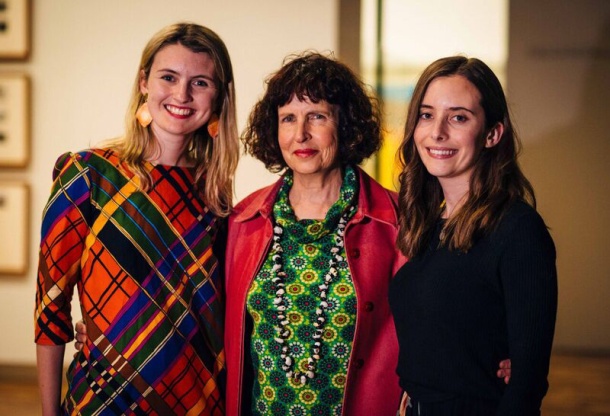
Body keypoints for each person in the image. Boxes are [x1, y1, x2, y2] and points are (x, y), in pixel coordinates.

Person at [34, 22, 238, 416]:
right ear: (144, 82)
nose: (181, 94)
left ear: (219, 97)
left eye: (200, 83)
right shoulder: (87, 174)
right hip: (105, 398)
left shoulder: (216, 196)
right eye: (168, 77)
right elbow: (50, 305)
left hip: (198, 401)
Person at [223, 52, 406, 415]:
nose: (301, 134)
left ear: (346, 123)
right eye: (288, 118)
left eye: (317, 117)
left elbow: (437, 314)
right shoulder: (243, 221)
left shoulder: (397, 220)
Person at [389, 56, 557, 415]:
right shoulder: (428, 223)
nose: (437, 132)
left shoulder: (517, 230)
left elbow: (527, 385)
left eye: (459, 117)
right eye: (427, 114)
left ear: (493, 133)